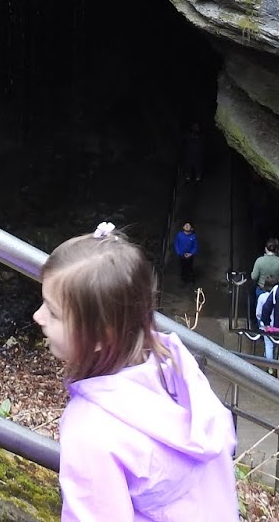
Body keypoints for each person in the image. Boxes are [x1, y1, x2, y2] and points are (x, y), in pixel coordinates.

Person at [34, 223, 238, 521]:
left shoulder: (89, 432)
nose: (37, 315)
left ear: (102, 336)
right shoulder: (174, 364)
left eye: (52, 312)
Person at [173, 222, 199, 286]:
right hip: (181, 255)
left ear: (192, 228)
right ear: (183, 227)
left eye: (188, 225)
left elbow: (195, 247)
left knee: (190, 268)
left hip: (190, 256)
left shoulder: (193, 237)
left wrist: (191, 254)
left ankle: (192, 281)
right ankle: (183, 281)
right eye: (185, 225)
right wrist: (179, 252)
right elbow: (176, 244)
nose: (187, 226)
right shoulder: (179, 235)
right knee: (183, 268)